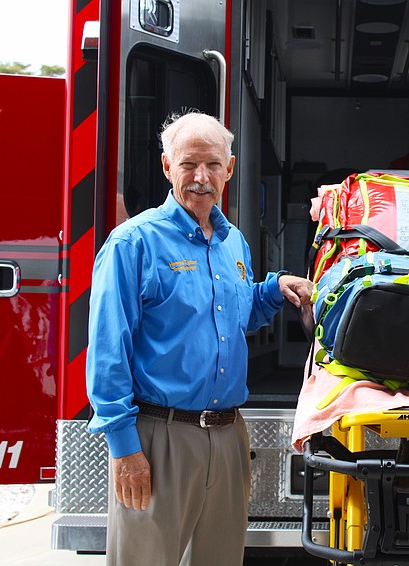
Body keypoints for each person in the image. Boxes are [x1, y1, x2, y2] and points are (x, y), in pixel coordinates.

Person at [86, 111, 313, 565]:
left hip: (228, 436)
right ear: (168, 167)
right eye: (189, 164)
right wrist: (125, 449)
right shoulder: (133, 243)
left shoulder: (233, 244)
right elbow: (109, 352)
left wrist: (273, 289)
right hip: (159, 437)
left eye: (212, 165)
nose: (200, 177)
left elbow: (237, 314)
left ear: (229, 169)